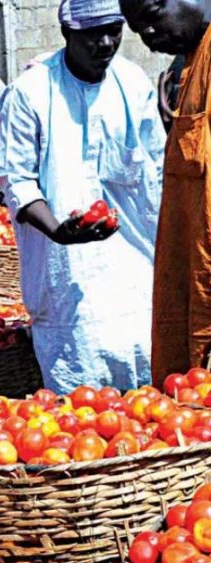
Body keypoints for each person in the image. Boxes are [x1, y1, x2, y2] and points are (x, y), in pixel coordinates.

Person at [0, 0, 166, 393]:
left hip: (135, 271)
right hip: (64, 276)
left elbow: (155, 168)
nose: (105, 43)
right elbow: (16, 180)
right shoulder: (30, 93)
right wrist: (56, 229)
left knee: (150, 397)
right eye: (92, 35)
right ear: (66, 34)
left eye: (113, 31)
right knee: (81, 403)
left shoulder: (133, 82)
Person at [119, 0, 211, 383]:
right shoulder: (189, 62)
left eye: (152, 20)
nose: (149, 39)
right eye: (139, 32)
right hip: (194, 261)